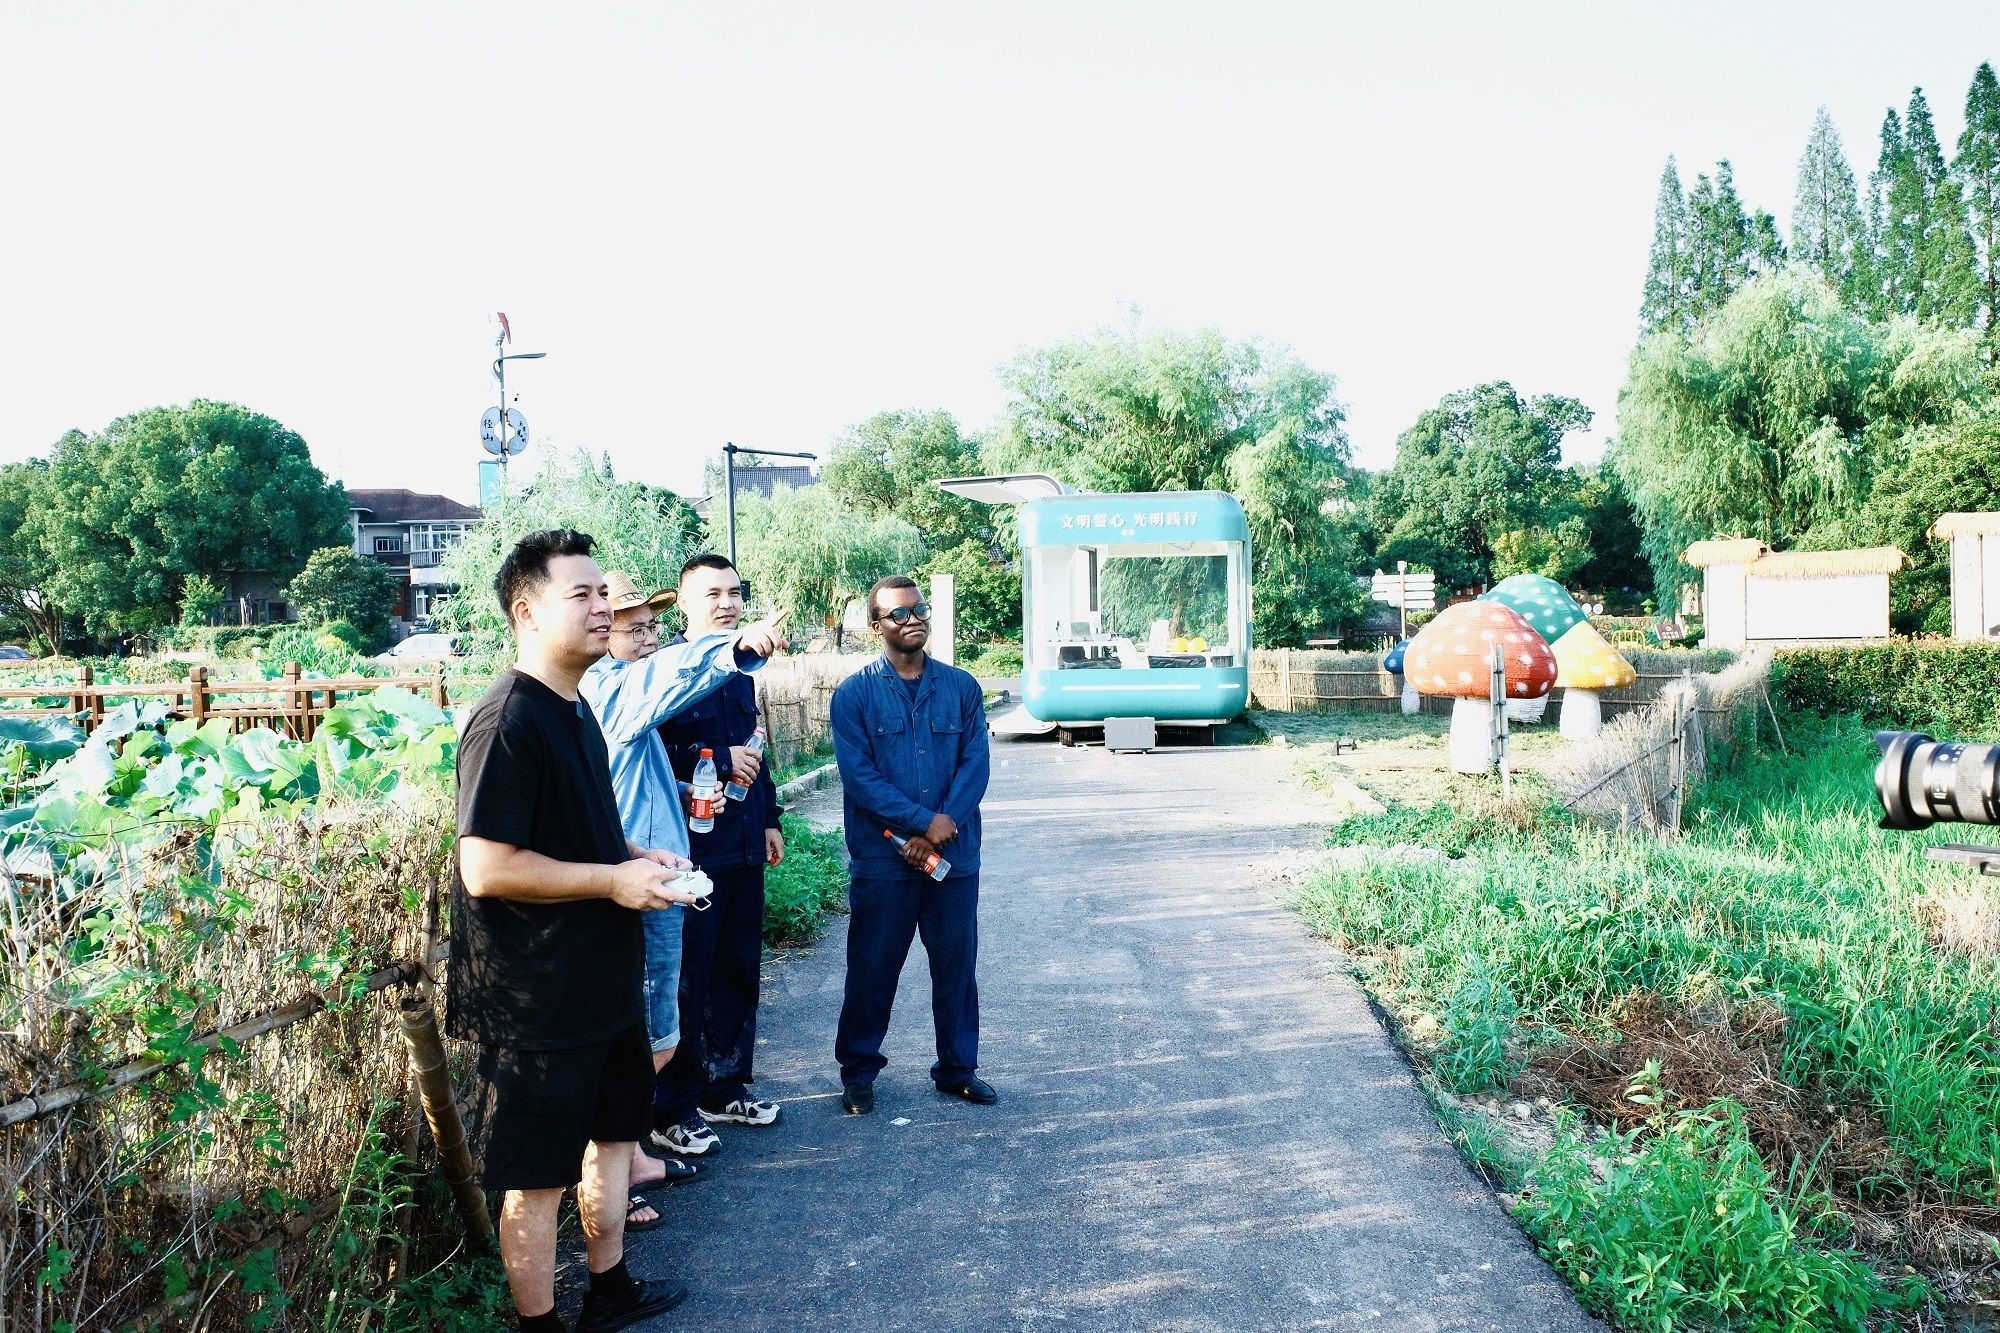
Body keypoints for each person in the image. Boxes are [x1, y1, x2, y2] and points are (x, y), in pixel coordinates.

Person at [450, 529, 703, 1331]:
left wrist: (630, 853)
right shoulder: (507, 720)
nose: (604, 608)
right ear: (527, 611)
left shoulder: (576, 703)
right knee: (536, 1178)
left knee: (616, 1137)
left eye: (603, 593)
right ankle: (540, 1324)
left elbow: (568, 828)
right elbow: (486, 865)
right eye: (583, 594)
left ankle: (610, 1287)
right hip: (538, 995)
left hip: (602, 978)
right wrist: (610, 880)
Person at [575, 569, 786, 1226]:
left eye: (649, 626)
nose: (645, 638)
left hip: (666, 871)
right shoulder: (611, 687)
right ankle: (610, 1177)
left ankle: (634, 1153)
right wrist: (733, 647)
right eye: (632, 627)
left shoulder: (629, 685)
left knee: (663, 1020)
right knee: (640, 1032)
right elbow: (670, 684)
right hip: (630, 883)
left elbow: (657, 764)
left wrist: (705, 789)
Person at [829, 574, 993, 1115]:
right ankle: (858, 1072)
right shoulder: (854, 695)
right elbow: (859, 777)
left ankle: (958, 1069)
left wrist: (943, 826)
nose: (912, 619)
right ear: (876, 625)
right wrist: (922, 822)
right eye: (898, 613)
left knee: (956, 968)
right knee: (872, 968)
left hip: (953, 855)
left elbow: (975, 764)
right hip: (884, 859)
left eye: (919, 609)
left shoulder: (962, 688)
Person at [654, 554, 785, 1157]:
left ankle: (725, 1087)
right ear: (684, 601)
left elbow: (755, 749)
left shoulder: (741, 672)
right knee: (689, 978)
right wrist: (712, 758)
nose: (728, 604)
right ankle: (673, 1107)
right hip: (689, 850)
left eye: (735, 593)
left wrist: (770, 819)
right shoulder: (666, 672)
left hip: (742, 843)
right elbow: (649, 754)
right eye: (712, 594)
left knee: (737, 968)